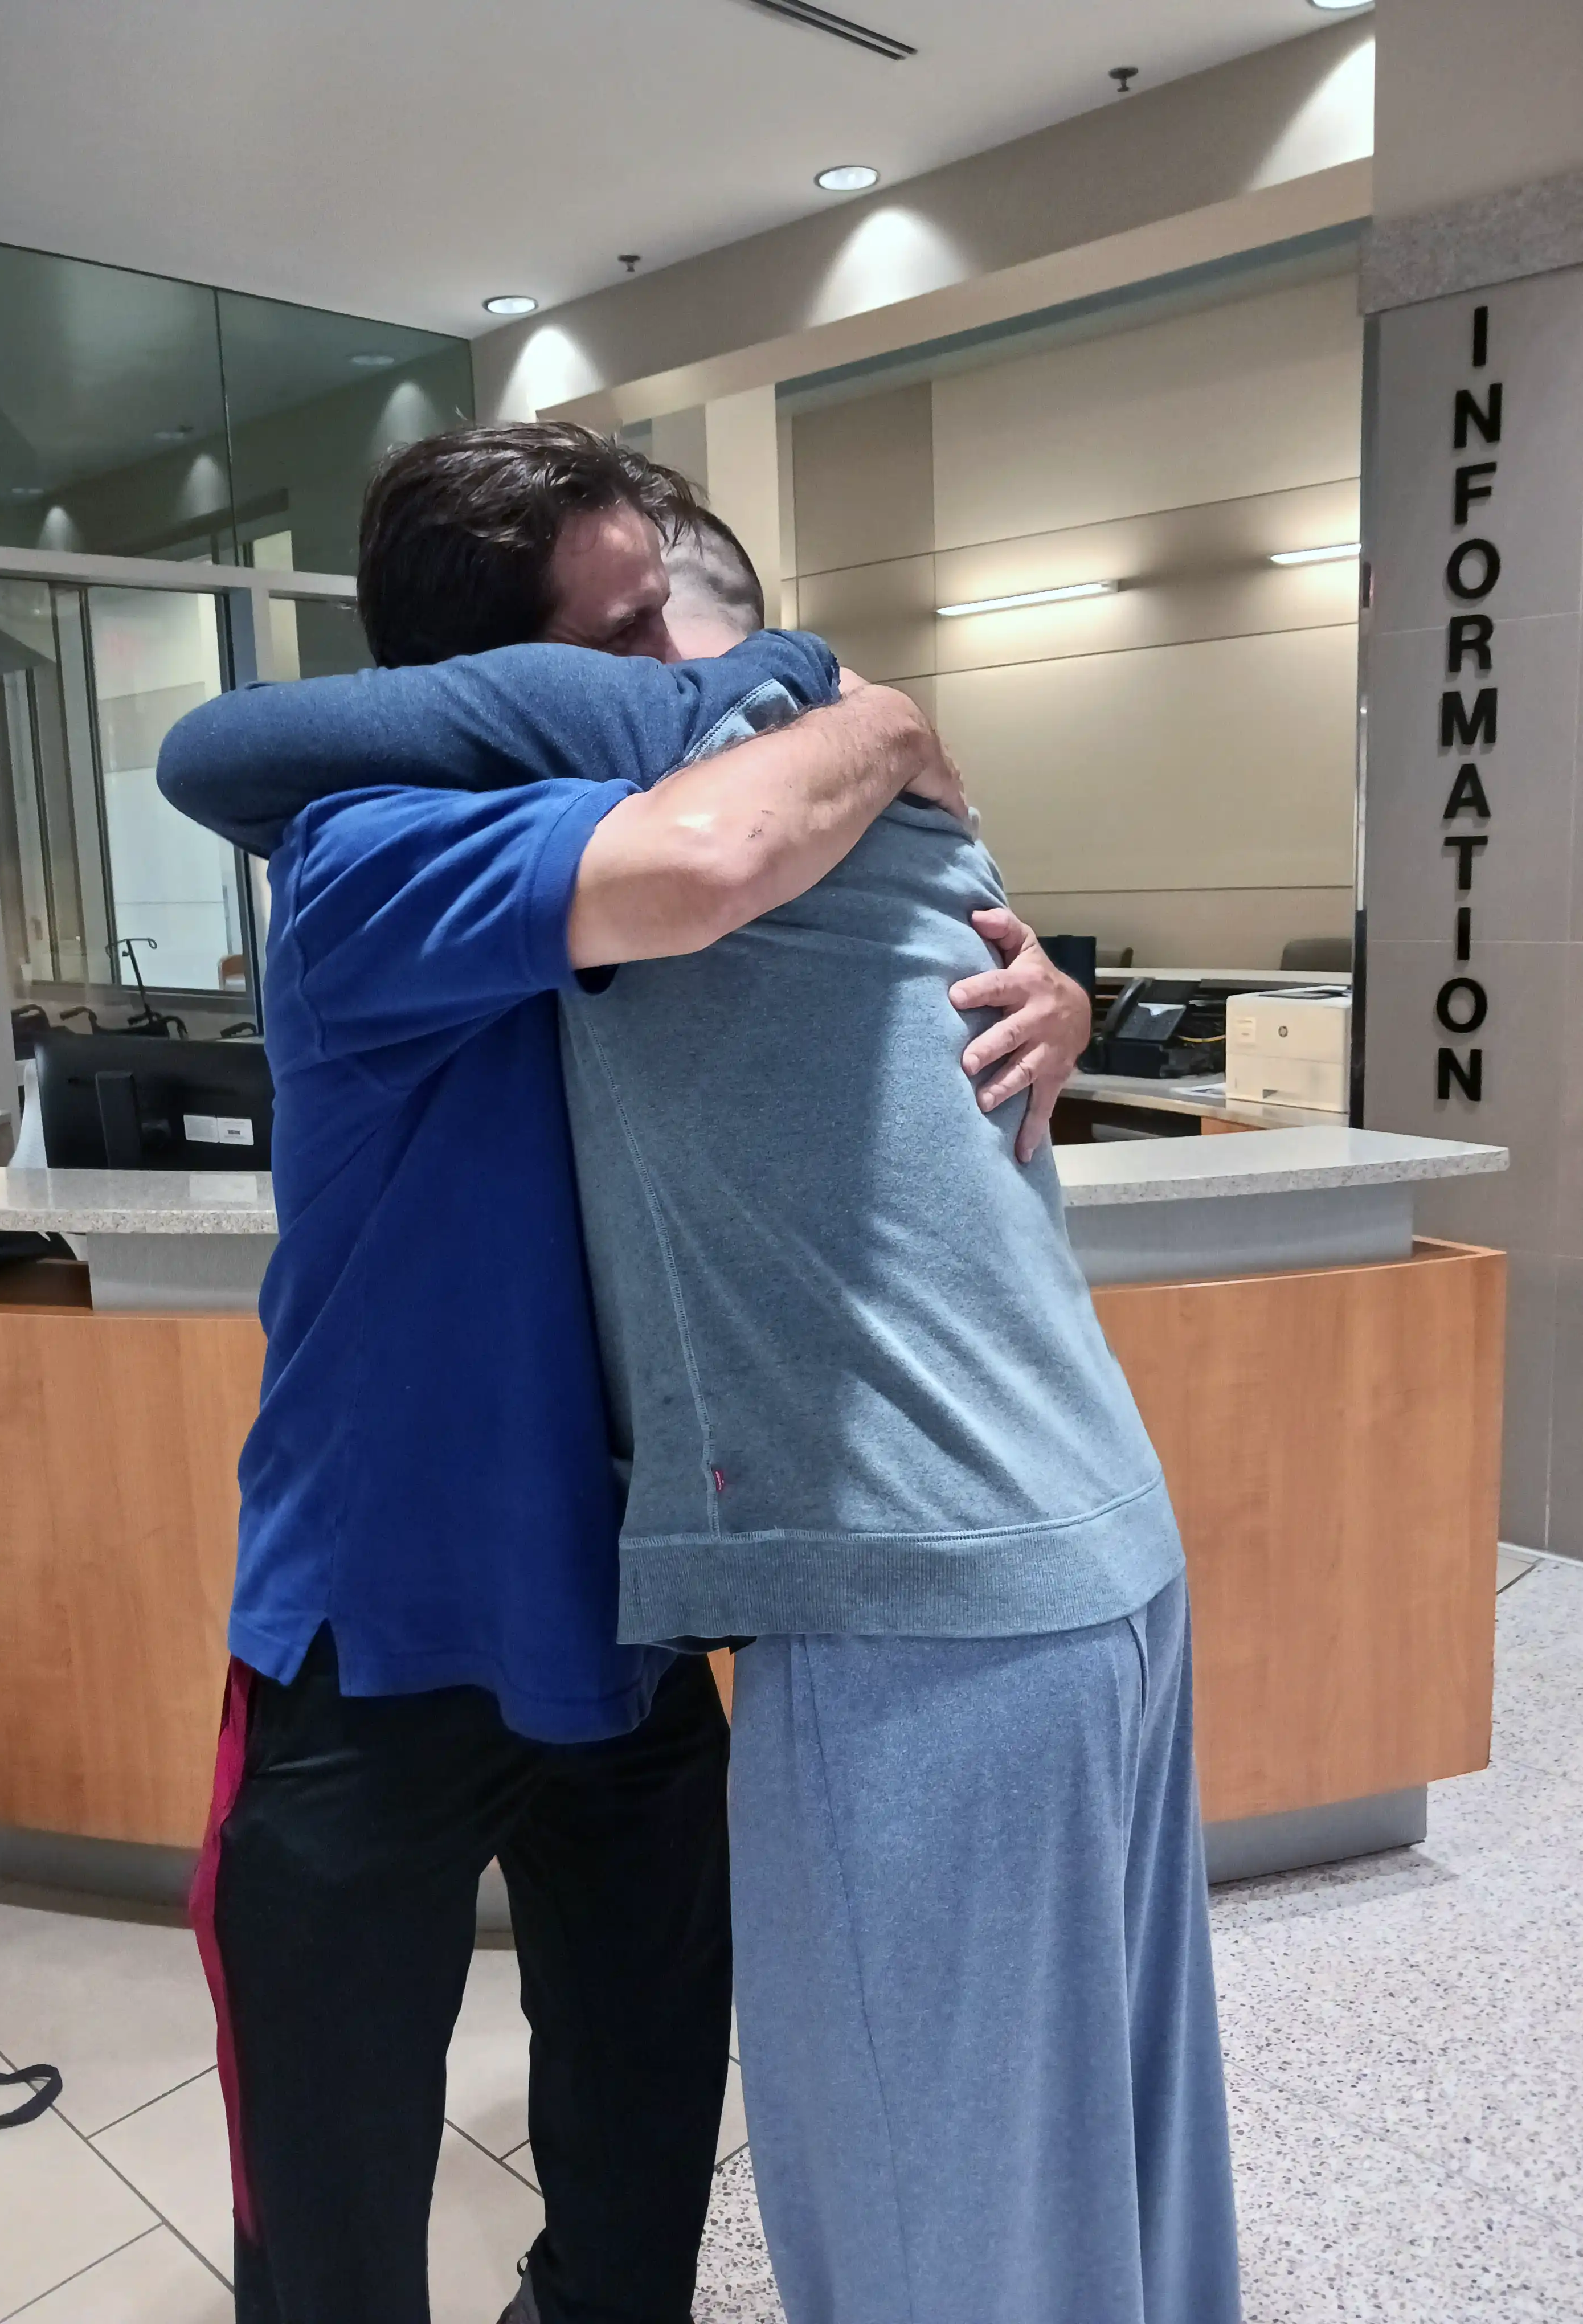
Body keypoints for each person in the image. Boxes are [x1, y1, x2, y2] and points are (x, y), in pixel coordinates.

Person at [166, 472, 1240, 2323]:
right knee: (330, 2216)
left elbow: (867, 944)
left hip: (638, 1616)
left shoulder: (698, 833)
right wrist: (869, 712)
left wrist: (1032, 985)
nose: (690, 662)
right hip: (382, 1630)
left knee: (641, 2165)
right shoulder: (374, 858)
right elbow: (684, 848)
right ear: (482, 688)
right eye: (622, 632)